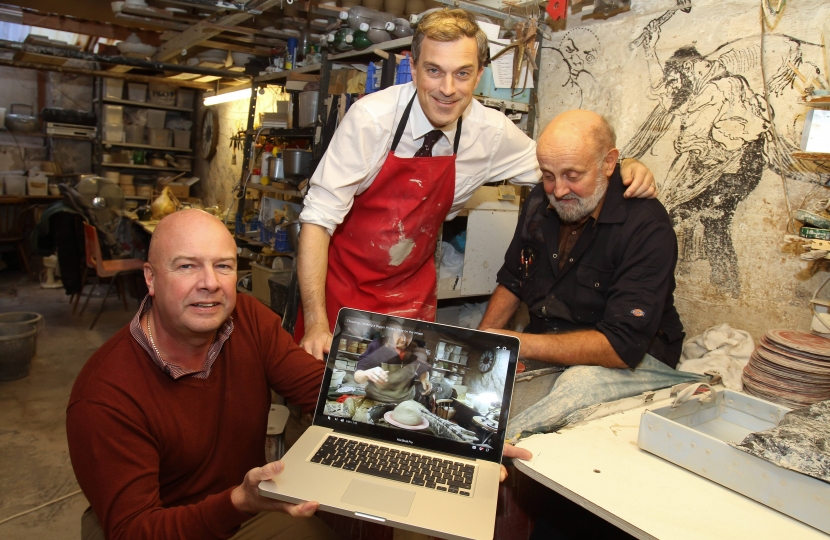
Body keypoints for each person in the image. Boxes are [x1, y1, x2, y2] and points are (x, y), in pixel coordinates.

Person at [296, 8, 658, 361]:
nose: (448, 89)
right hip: (340, 290)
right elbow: (317, 220)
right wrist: (316, 324)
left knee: (397, 401)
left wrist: (621, 165)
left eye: (463, 73)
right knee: (332, 399)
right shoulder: (371, 120)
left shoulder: (490, 132)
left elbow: (557, 168)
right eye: (434, 71)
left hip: (411, 295)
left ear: (479, 73)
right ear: (414, 67)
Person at [66, 210, 334, 540]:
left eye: (223, 265)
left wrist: (391, 380)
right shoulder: (105, 394)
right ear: (150, 278)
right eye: (187, 266)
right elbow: (134, 530)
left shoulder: (248, 320)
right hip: (158, 524)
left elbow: (325, 396)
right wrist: (238, 502)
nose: (210, 283)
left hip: (236, 511)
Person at [478, 110, 704, 441]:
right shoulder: (541, 200)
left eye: (573, 175)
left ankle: (505, 449)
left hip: (628, 356)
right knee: (477, 398)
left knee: (563, 395)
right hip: (552, 340)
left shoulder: (645, 226)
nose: (558, 190)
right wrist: (483, 339)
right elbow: (514, 277)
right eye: (549, 175)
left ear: (609, 163)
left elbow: (620, 347)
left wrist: (518, 343)